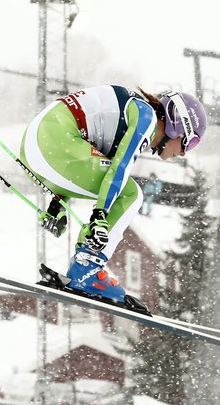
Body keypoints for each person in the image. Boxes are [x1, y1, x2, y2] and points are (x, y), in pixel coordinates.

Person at [20, 85, 207, 304]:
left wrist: (58, 203)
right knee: (131, 194)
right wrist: (100, 215)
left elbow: (87, 160)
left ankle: (85, 265)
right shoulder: (146, 119)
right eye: (191, 142)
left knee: (116, 185)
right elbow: (120, 169)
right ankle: (88, 268)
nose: (184, 153)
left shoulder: (133, 112)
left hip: (36, 149)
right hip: (56, 145)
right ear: (177, 124)